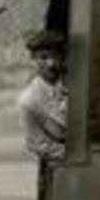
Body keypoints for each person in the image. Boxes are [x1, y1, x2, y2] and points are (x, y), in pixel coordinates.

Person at [17, 28, 68, 163]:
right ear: (33, 60)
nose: (51, 64)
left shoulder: (78, 84)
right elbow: (39, 145)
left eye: (54, 56)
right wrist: (78, 155)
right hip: (61, 166)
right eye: (44, 57)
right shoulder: (28, 101)